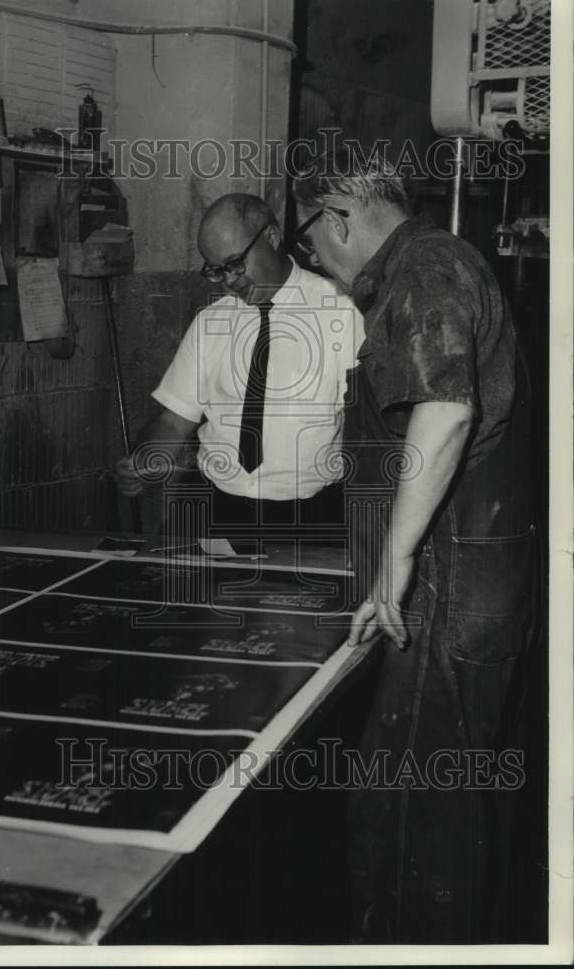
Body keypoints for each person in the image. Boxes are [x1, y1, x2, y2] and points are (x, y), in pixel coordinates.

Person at [292, 148, 537, 942]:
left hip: (444, 587)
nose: (314, 260)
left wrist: (394, 566)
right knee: (442, 809)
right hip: (461, 580)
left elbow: (446, 410)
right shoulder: (434, 263)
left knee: (408, 816)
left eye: (307, 241)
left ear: (336, 218)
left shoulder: (425, 269)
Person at [115, 193, 363, 538]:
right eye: (217, 271)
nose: (230, 281)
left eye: (235, 264)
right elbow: (173, 420)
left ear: (271, 237)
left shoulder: (343, 311)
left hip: (311, 513)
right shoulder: (211, 322)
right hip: (213, 503)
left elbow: (370, 429)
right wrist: (145, 460)